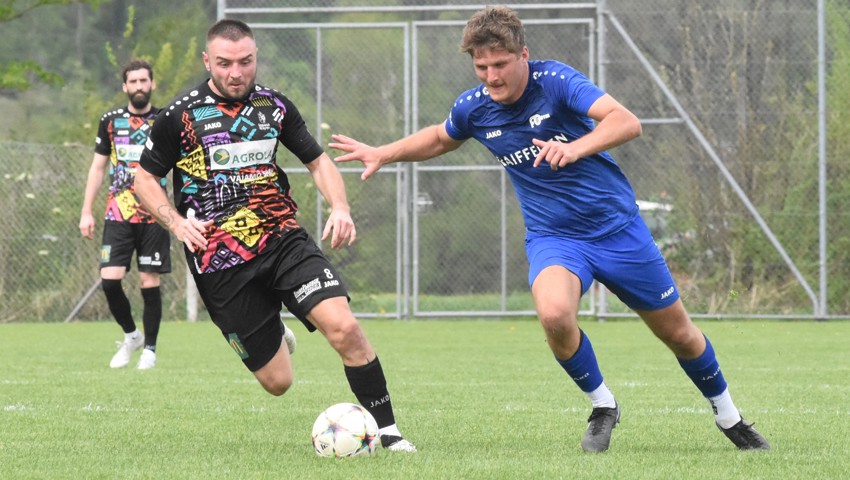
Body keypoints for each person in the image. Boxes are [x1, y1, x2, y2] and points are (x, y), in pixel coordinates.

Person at [330, 6, 769, 452]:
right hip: (555, 238)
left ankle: (728, 416)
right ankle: (603, 405)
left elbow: (625, 122)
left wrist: (575, 148)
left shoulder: (555, 82)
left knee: (678, 333)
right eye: (481, 67)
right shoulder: (476, 107)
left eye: (500, 64)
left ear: (524, 54)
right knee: (555, 315)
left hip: (617, 230)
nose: (491, 76)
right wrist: (385, 152)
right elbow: (443, 137)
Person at [135, 19, 416, 452]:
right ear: (208, 61)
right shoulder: (180, 115)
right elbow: (143, 179)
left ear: (255, 59)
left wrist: (340, 207)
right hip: (219, 257)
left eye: (245, 62)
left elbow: (318, 160)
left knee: (344, 328)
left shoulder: (275, 107)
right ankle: (274, 326)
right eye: (225, 63)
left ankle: (390, 433)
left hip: (281, 237)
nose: (236, 73)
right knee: (278, 382)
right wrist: (175, 222)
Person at [80, 60, 171, 370]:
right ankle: (132, 336)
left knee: (149, 282)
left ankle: (151, 350)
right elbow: (98, 167)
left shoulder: (164, 120)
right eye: (133, 82)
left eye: (144, 80)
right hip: (117, 213)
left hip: (154, 214)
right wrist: (86, 212)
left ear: (152, 84)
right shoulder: (110, 121)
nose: (139, 87)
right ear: (125, 87)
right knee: (109, 280)